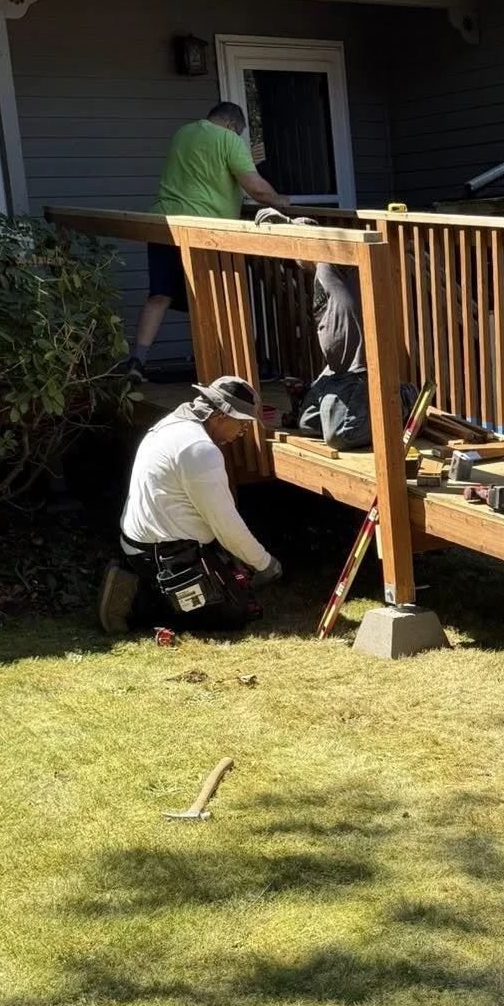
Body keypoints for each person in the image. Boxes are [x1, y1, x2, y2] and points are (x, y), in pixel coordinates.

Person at [97, 375, 284, 636]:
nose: (242, 433)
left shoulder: (173, 423)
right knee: (233, 613)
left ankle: (135, 575)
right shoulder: (199, 450)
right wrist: (265, 564)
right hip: (165, 555)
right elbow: (227, 525)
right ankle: (138, 601)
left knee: (229, 583)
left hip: (140, 543)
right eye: (242, 425)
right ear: (220, 415)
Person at [123, 102, 299, 378]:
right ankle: (227, 367)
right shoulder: (228, 140)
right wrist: (280, 200)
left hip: (164, 225)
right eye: (239, 132)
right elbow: (257, 189)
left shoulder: (183, 133)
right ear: (231, 124)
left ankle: (137, 361)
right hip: (205, 231)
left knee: (160, 295)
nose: (238, 137)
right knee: (216, 298)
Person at [295, 262, 373, 447]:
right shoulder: (322, 272)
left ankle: (403, 400)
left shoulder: (331, 265)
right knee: (308, 423)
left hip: (357, 370)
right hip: (335, 370)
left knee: (338, 436)